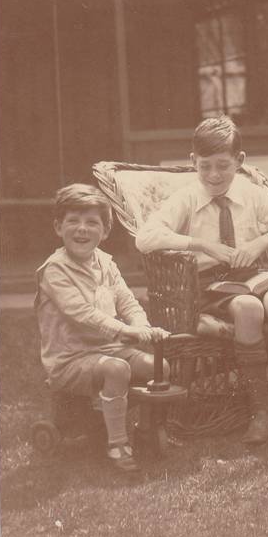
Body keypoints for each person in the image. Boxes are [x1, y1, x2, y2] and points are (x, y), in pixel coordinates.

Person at [136, 116, 268, 444]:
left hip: (252, 275)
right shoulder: (187, 198)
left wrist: (262, 242)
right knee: (248, 308)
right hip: (207, 285)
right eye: (205, 166)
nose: (214, 175)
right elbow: (145, 237)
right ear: (193, 162)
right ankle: (261, 409)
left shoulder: (251, 193)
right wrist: (200, 244)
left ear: (240, 161)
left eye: (223, 165)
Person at [35, 184, 170, 473]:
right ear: (58, 227)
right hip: (70, 358)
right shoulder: (55, 269)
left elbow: (128, 301)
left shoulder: (106, 263)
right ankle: (117, 443)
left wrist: (143, 326)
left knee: (160, 367)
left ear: (105, 231)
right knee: (117, 369)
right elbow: (82, 313)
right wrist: (126, 332)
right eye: (73, 221)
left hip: (108, 349)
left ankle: (144, 428)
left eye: (92, 222)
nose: (82, 229)